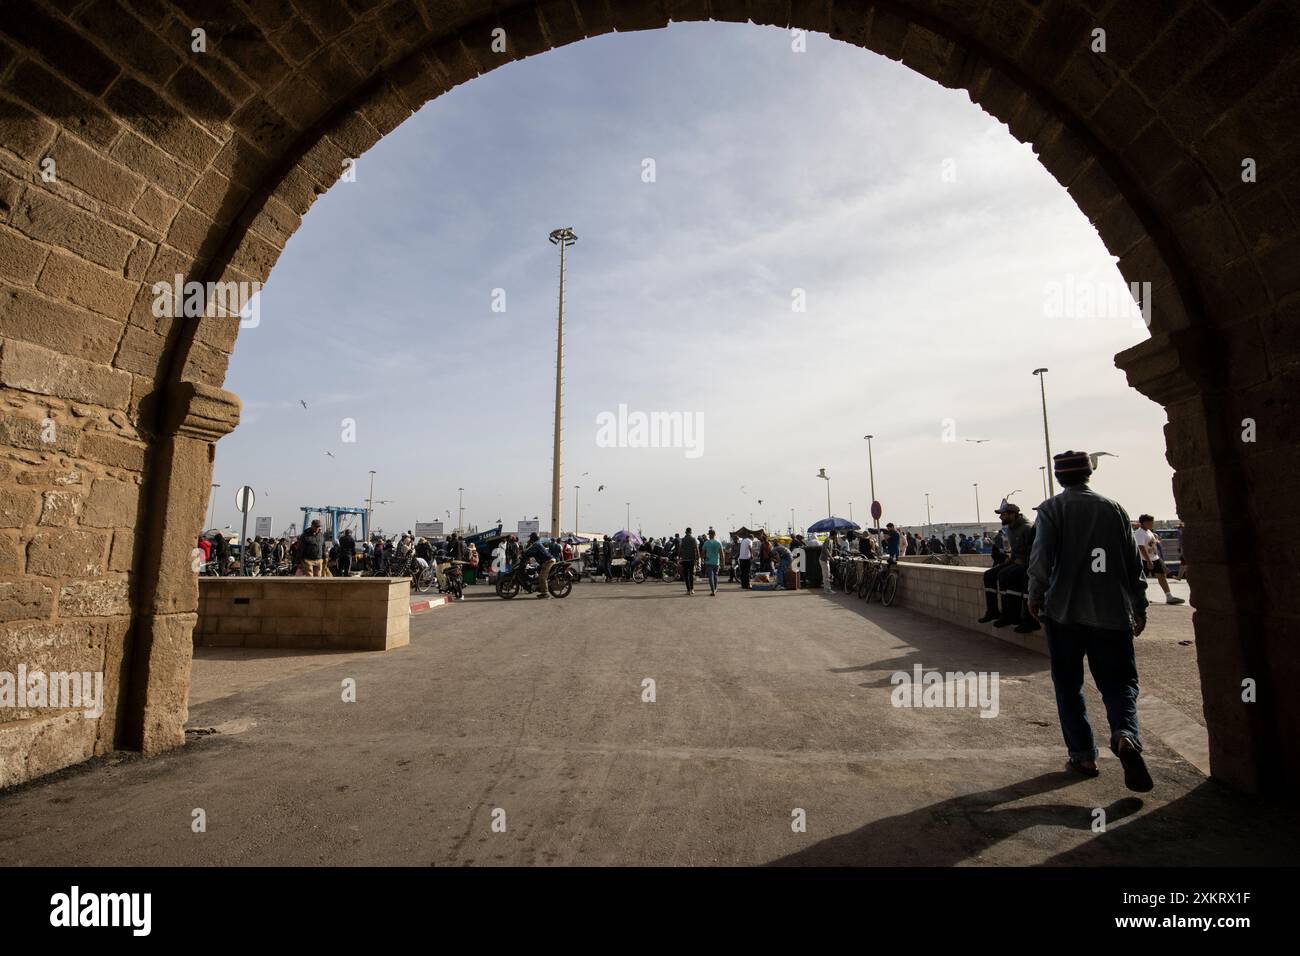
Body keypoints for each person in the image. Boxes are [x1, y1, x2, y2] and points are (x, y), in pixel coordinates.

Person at [1028, 450, 1153, 792]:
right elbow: (1132, 565)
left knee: (1069, 684)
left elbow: (1041, 558)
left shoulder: (1052, 510)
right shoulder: (1113, 509)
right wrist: (1139, 607)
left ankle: (1083, 755)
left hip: (1064, 612)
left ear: (1059, 477)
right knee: (1119, 682)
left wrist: (1035, 594)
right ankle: (1125, 734)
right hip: (1111, 612)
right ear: (1087, 474)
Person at [977, 500, 1038, 632]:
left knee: (1008, 575)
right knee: (989, 575)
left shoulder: (1027, 528)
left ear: (1013, 514)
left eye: (1003, 515)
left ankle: (1013, 615)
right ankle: (993, 611)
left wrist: (1023, 560)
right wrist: (1009, 559)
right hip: (1016, 561)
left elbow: (1035, 551)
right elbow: (1016, 550)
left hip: (1027, 564)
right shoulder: (1010, 529)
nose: (1000, 517)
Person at [1135, 514, 1185, 605]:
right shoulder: (1139, 533)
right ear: (1144, 523)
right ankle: (1140, 597)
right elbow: (1141, 547)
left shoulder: (1149, 531)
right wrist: (1149, 561)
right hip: (1144, 560)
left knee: (1162, 576)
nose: (1152, 524)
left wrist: (1156, 540)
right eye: (1150, 522)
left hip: (1155, 558)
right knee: (1142, 579)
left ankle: (1169, 596)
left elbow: (1151, 543)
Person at [523, 532, 555, 599]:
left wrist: (526, 549)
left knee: (542, 577)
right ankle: (542, 591)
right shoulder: (536, 543)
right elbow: (529, 551)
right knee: (538, 575)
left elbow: (528, 552)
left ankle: (546, 593)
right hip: (545, 562)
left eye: (530, 538)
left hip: (548, 562)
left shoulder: (536, 544)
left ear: (533, 538)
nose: (530, 539)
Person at [679, 527, 699, 595]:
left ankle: (688, 590)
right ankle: (692, 589)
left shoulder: (683, 539)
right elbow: (696, 548)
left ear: (685, 532)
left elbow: (680, 549)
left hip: (684, 559)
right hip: (691, 559)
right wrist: (698, 557)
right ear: (691, 532)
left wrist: (679, 557)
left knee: (686, 575)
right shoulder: (693, 539)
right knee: (691, 574)